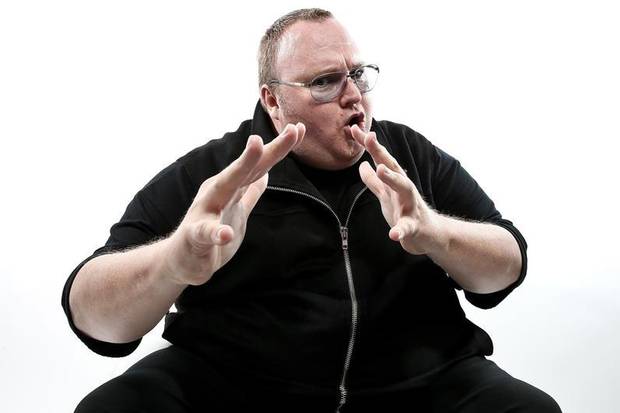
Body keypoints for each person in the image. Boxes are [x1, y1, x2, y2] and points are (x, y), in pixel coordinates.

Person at [62, 8, 562, 413]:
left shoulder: (409, 157)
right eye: (325, 81)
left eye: (358, 75)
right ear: (273, 101)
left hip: (416, 387)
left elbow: (505, 267)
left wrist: (436, 234)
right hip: (241, 392)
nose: (354, 96)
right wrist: (173, 262)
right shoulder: (217, 174)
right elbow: (92, 316)